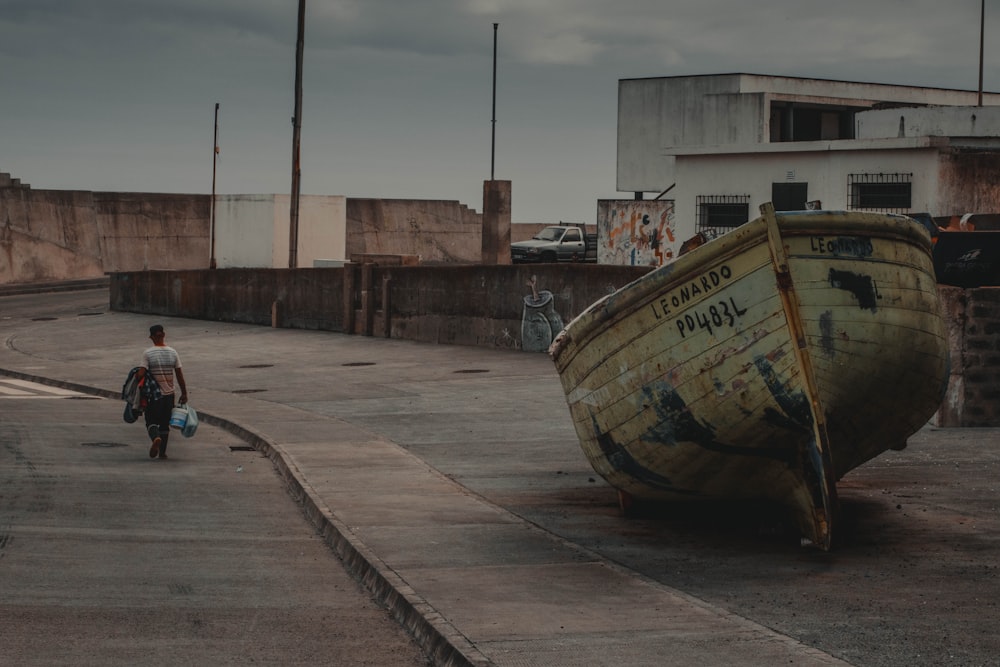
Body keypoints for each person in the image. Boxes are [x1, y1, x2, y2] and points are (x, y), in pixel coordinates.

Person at [136, 324, 188, 460]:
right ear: (163, 335)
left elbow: (141, 374)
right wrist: (184, 393)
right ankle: (163, 453)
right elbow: (179, 375)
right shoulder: (173, 352)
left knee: (151, 421)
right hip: (169, 395)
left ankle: (155, 437)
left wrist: (136, 376)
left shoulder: (147, 353)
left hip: (154, 396)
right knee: (165, 423)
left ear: (151, 337)